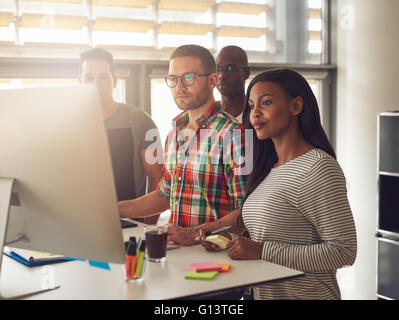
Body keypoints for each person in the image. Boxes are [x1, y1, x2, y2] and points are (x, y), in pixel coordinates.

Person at [168, 68, 357, 300]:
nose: (254, 113)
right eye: (251, 105)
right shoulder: (269, 168)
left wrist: (261, 251)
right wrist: (202, 234)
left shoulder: (318, 168)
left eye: (265, 103)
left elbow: (343, 251)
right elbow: (262, 228)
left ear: (296, 106)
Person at [118, 44, 248, 229]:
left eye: (189, 77)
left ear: (212, 81)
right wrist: (114, 209)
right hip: (177, 252)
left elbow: (245, 212)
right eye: (173, 78)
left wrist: (193, 234)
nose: (179, 87)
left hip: (216, 254)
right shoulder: (174, 133)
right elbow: (165, 195)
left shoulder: (236, 134)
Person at [79, 47, 163, 224]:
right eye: (89, 77)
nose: (95, 83)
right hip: (82, 222)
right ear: (80, 81)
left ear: (115, 80)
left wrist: (148, 227)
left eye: (103, 77)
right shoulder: (69, 123)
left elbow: (158, 178)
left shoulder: (141, 120)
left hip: (130, 225)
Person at [215, 45, 250, 123]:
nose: (222, 75)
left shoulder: (258, 115)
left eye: (230, 68)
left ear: (246, 72)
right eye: (217, 69)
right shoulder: (207, 117)